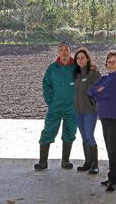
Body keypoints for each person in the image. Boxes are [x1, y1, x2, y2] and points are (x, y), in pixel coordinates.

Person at [88, 50, 116, 192]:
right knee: (112, 150)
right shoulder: (105, 78)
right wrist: (99, 91)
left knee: (114, 151)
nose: (111, 64)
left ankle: (113, 180)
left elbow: (106, 94)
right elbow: (91, 91)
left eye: (114, 62)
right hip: (105, 118)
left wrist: (100, 92)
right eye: (109, 61)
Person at [34, 41, 77, 170]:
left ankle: (65, 161)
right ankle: (43, 162)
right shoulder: (52, 68)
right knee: (48, 131)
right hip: (55, 106)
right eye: (61, 50)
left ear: (70, 52)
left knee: (70, 132)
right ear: (58, 52)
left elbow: (87, 77)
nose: (64, 52)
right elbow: (45, 84)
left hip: (71, 107)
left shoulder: (76, 67)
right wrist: (50, 102)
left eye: (66, 50)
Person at [73, 47, 101, 174]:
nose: (80, 60)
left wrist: (94, 101)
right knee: (84, 137)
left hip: (89, 111)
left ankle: (95, 165)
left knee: (89, 136)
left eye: (82, 57)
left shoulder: (93, 73)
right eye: (78, 58)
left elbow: (101, 87)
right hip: (78, 112)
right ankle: (87, 162)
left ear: (87, 59)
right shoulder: (76, 74)